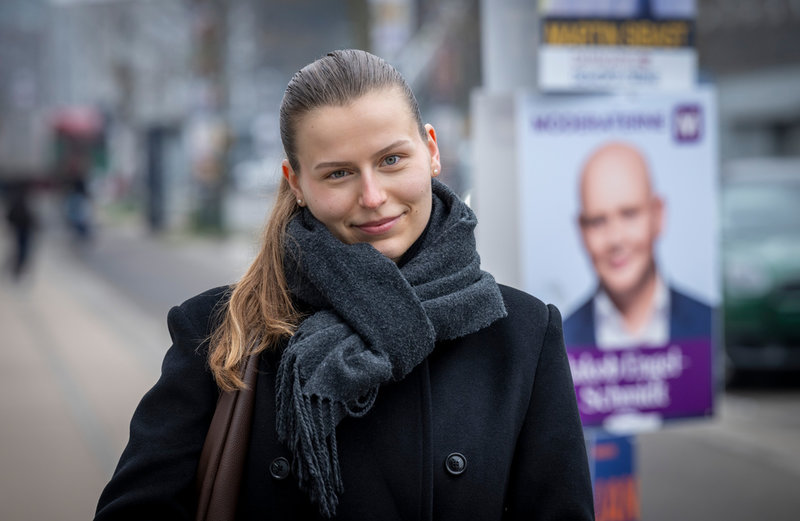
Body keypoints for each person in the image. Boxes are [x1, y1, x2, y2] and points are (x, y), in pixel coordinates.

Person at [94, 49, 593, 520]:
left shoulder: (523, 334)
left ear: (432, 151)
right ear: (297, 184)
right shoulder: (220, 331)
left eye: (392, 160)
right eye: (338, 174)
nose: (373, 196)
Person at [564, 141, 711, 350]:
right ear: (582, 231)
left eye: (629, 214)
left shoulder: (710, 325)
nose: (615, 239)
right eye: (597, 221)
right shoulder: (560, 341)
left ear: (658, 215)